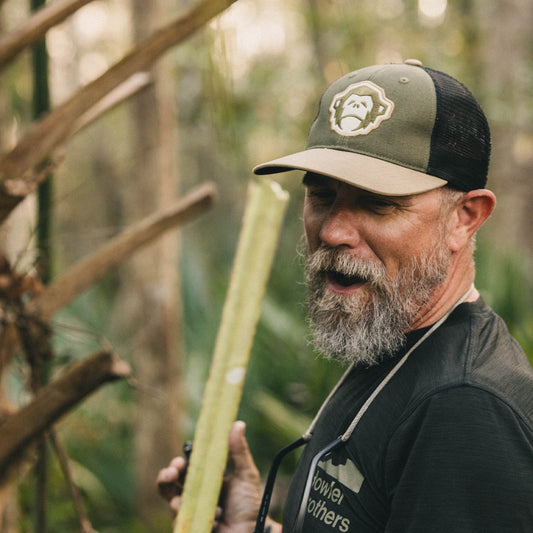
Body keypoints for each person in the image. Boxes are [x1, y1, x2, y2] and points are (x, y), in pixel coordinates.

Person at [157, 60, 533, 532]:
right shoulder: (395, 342)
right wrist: (253, 527)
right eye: (322, 196)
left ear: (465, 218)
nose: (333, 231)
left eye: (377, 204)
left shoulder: (465, 410)